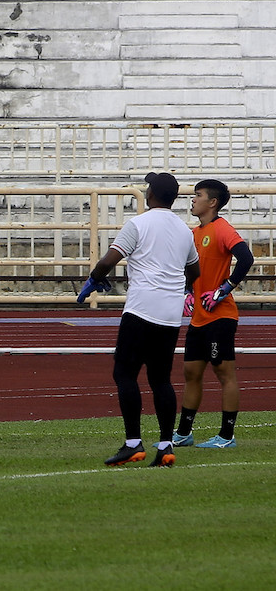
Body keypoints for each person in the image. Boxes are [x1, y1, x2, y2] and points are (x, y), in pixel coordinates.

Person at [78, 172, 200, 467]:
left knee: (125, 373)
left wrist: (94, 280)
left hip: (142, 308)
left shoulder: (138, 224)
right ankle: (167, 446)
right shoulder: (185, 230)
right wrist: (179, 289)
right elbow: (194, 272)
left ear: (151, 194)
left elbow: (109, 260)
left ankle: (133, 443)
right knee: (160, 379)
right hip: (170, 314)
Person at [173, 179, 254, 448]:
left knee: (224, 374)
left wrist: (224, 289)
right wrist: (188, 292)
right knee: (191, 372)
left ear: (213, 202)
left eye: (198, 196)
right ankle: (184, 433)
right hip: (199, 318)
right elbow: (191, 270)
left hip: (221, 318)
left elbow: (246, 258)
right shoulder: (195, 234)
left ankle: (227, 436)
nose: (192, 200)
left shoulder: (222, 229)